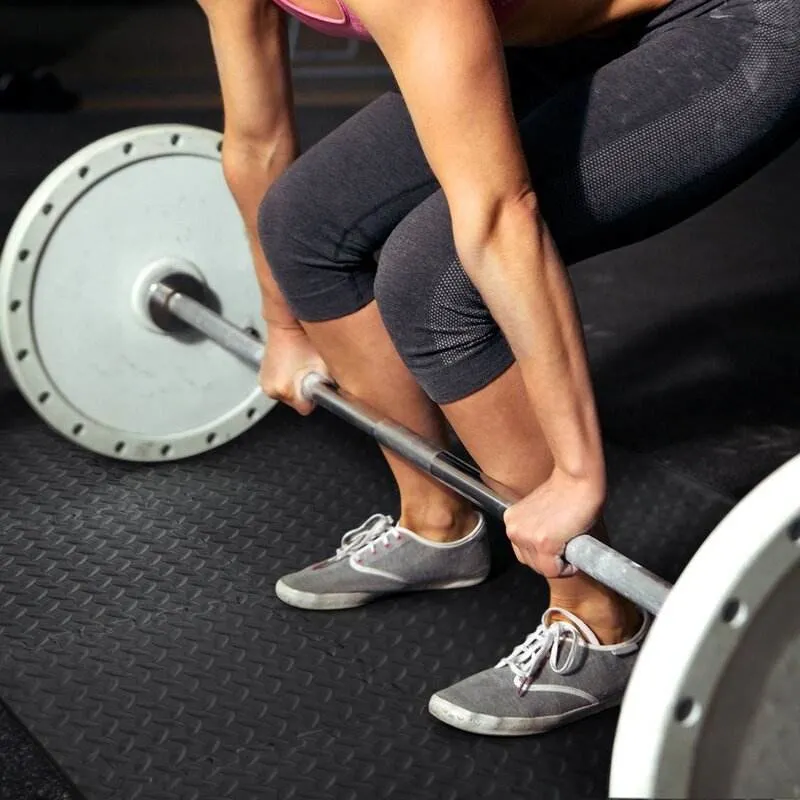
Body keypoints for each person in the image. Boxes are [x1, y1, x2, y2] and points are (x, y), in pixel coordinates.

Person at [197, 0, 800, 735]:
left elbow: (498, 219)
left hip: (739, 17)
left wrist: (578, 476)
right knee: (305, 222)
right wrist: (284, 325)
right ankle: (436, 521)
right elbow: (255, 145)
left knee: (436, 273)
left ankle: (600, 621)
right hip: (563, 34)